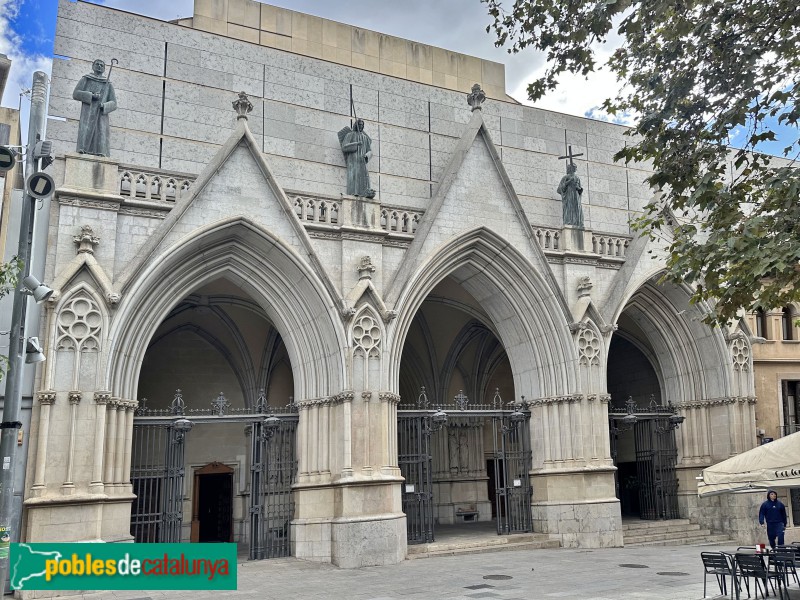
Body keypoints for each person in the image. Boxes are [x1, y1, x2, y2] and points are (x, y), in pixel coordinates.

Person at [73, 58, 117, 157]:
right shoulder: (86, 79)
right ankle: (83, 148)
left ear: (104, 69)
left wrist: (104, 106)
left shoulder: (107, 84)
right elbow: (76, 94)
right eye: (97, 64)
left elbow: (114, 103)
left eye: (102, 65)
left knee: (100, 133)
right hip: (87, 112)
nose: (99, 66)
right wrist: (91, 96)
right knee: (86, 130)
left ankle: (100, 151)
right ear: (93, 66)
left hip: (101, 114)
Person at [338, 118, 376, 198]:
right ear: (356, 125)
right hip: (353, 160)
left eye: (362, 125)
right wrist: (356, 144)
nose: (361, 126)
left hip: (362, 160)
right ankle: (354, 192)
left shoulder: (365, 138)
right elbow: (344, 147)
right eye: (359, 125)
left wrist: (367, 155)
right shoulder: (350, 135)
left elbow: (370, 151)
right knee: (354, 175)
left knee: (364, 175)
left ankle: (365, 192)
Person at [557, 162, 584, 228]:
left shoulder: (577, 178)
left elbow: (579, 189)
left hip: (576, 197)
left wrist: (579, 188)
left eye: (576, 167)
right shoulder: (565, 177)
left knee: (577, 209)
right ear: (571, 168)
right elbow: (559, 189)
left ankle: (578, 222)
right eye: (574, 167)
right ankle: (569, 222)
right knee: (569, 209)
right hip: (568, 197)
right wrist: (568, 182)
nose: (575, 169)